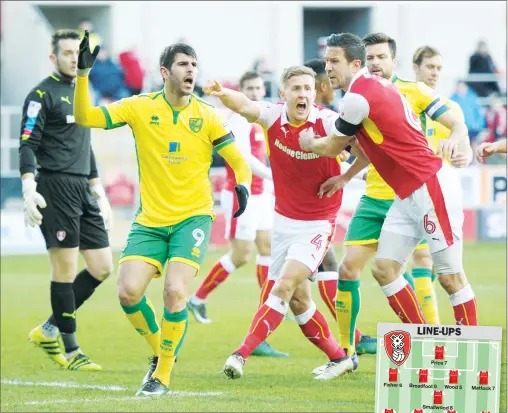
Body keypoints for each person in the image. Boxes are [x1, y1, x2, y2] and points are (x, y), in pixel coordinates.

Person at [74, 31, 252, 396]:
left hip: (193, 218)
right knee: (127, 293)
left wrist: (242, 184)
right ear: (165, 71)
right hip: (150, 221)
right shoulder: (140, 107)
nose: (191, 71)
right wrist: (81, 76)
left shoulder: (208, 115)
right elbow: (84, 117)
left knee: (174, 291)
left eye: (194, 65)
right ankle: (161, 351)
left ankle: (162, 377)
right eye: (183, 65)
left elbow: (238, 161)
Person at [299, 35, 478, 344]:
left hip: (430, 186)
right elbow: (370, 147)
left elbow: (332, 147)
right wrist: (345, 176)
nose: (327, 68)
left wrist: (309, 142)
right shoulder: (375, 89)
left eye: (334, 61)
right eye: (326, 61)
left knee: (449, 276)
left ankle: (474, 353)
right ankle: (427, 342)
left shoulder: (356, 98)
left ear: (355, 64)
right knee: (384, 269)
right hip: (406, 195)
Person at [205, 65, 370, 381]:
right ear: (284, 95)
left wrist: (344, 177)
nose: (303, 94)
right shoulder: (272, 115)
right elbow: (243, 105)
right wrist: (221, 91)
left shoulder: (326, 121)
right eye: (296, 89)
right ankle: (340, 357)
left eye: (308, 88)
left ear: (315, 92)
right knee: (297, 301)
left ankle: (240, 354)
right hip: (282, 222)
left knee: (282, 286)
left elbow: (363, 153)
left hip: (317, 224)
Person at [20, 29, 113, 371]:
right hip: (55, 186)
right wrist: (29, 186)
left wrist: (98, 188)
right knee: (65, 269)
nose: (75, 58)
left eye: (78, 52)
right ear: (53, 58)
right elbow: (28, 143)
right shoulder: (40, 94)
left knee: (103, 266)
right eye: (68, 53)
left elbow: (85, 145)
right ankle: (73, 352)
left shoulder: (83, 92)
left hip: (82, 189)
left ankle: (47, 329)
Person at [187, 71, 287, 358]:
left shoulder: (262, 116)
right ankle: (198, 298)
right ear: (241, 91)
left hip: (262, 194)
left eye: (258, 87)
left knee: (267, 249)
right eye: (250, 88)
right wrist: (272, 176)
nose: (255, 92)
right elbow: (244, 157)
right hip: (241, 192)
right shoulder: (239, 118)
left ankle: (264, 314)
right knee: (242, 255)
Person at [304, 58, 377, 357]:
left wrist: (353, 173)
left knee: (322, 272)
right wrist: (359, 171)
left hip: (308, 207)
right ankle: (348, 343)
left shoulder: (299, 117)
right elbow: (351, 151)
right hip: (305, 211)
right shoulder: (328, 118)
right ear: (322, 86)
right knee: (292, 289)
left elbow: (342, 155)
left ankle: (349, 341)